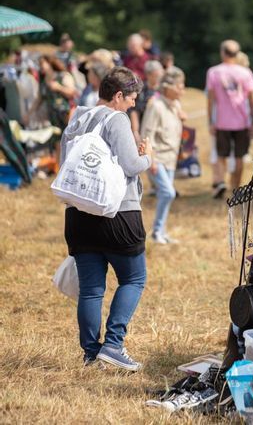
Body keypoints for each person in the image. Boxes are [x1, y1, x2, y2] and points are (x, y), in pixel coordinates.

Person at [60, 66, 153, 371]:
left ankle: (90, 353)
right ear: (117, 96)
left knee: (91, 289)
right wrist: (147, 156)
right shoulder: (117, 119)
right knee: (134, 278)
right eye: (131, 100)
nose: (132, 106)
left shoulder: (78, 117)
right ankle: (113, 344)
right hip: (118, 214)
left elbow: (66, 164)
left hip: (77, 214)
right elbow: (130, 164)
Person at [205, 39, 253, 198]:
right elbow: (252, 99)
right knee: (239, 156)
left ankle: (221, 181)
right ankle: (236, 188)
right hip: (242, 121)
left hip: (222, 121)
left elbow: (210, 99)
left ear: (222, 52)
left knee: (222, 155)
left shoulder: (214, 72)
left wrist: (210, 121)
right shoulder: (245, 73)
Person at [141, 67, 186, 244]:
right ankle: (157, 231)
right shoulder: (156, 106)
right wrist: (150, 159)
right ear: (168, 86)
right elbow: (148, 133)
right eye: (180, 85)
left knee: (164, 195)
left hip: (170, 159)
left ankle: (161, 232)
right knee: (168, 193)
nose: (183, 89)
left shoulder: (176, 105)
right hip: (157, 158)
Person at [24, 55, 77, 130]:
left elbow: (73, 92)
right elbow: (39, 99)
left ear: (49, 63)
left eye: (41, 63)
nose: (39, 66)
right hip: (52, 119)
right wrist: (29, 114)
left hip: (66, 117)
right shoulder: (43, 80)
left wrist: (59, 88)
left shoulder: (63, 76)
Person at [129, 60, 164, 141]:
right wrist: (135, 132)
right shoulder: (141, 90)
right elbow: (134, 111)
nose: (159, 78)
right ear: (148, 75)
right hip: (145, 128)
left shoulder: (164, 89)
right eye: (156, 75)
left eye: (160, 75)